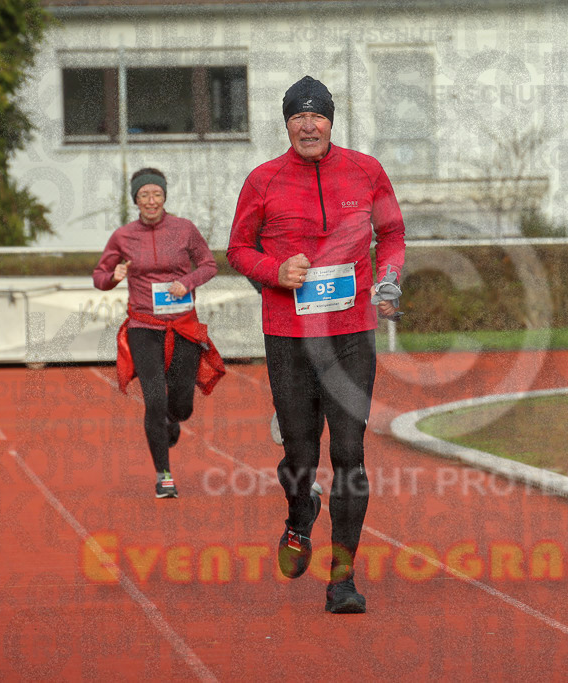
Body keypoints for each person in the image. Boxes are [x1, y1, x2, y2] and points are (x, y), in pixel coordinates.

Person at [227, 76, 405, 614]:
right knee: (300, 455)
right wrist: (275, 270)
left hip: (351, 334)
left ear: (331, 121)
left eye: (318, 116)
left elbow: (391, 233)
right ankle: (300, 517)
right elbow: (237, 248)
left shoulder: (366, 170)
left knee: (349, 454)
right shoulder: (263, 179)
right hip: (289, 338)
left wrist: (390, 277)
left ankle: (342, 580)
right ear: (286, 124)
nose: (309, 125)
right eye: (298, 117)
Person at [93, 167, 225, 499]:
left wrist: (188, 283)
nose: (151, 201)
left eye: (156, 194)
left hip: (182, 325)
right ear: (135, 200)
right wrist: (115, 275)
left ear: (165, 197)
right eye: (144, 195)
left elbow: (209, 265)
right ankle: (163, 475)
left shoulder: (184, 230)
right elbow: (99, 276)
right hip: (144, 327)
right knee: (153, 399)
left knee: (180, 404)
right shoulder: (123, 236)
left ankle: (173, 419)